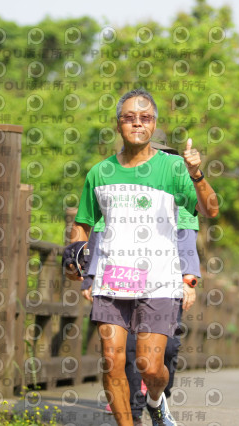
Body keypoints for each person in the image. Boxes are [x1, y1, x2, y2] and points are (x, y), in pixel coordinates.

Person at [65, 88, 218, 426]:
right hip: (113, 277)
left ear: (154, 123)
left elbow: (210, 209)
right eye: (129, 118)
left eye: (145, 118)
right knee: (111, 359)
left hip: (159, 280)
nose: (137, 123)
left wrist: (196, 173)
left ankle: (155, 399)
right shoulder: (99, 172)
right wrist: (75, 255)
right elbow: (83, 224)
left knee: (150, 366)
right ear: (118, 124)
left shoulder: (174, 167)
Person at [80, 140, 202, 426]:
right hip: (119, 280)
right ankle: (132, 413)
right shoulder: (116, 190)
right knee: (123, 352)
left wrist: (189, 280)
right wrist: (89, 276)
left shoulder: (179, 197)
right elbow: (97, 232)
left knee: (160, 354)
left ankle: (157, 399)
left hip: (162, 281)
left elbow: (186, 239)